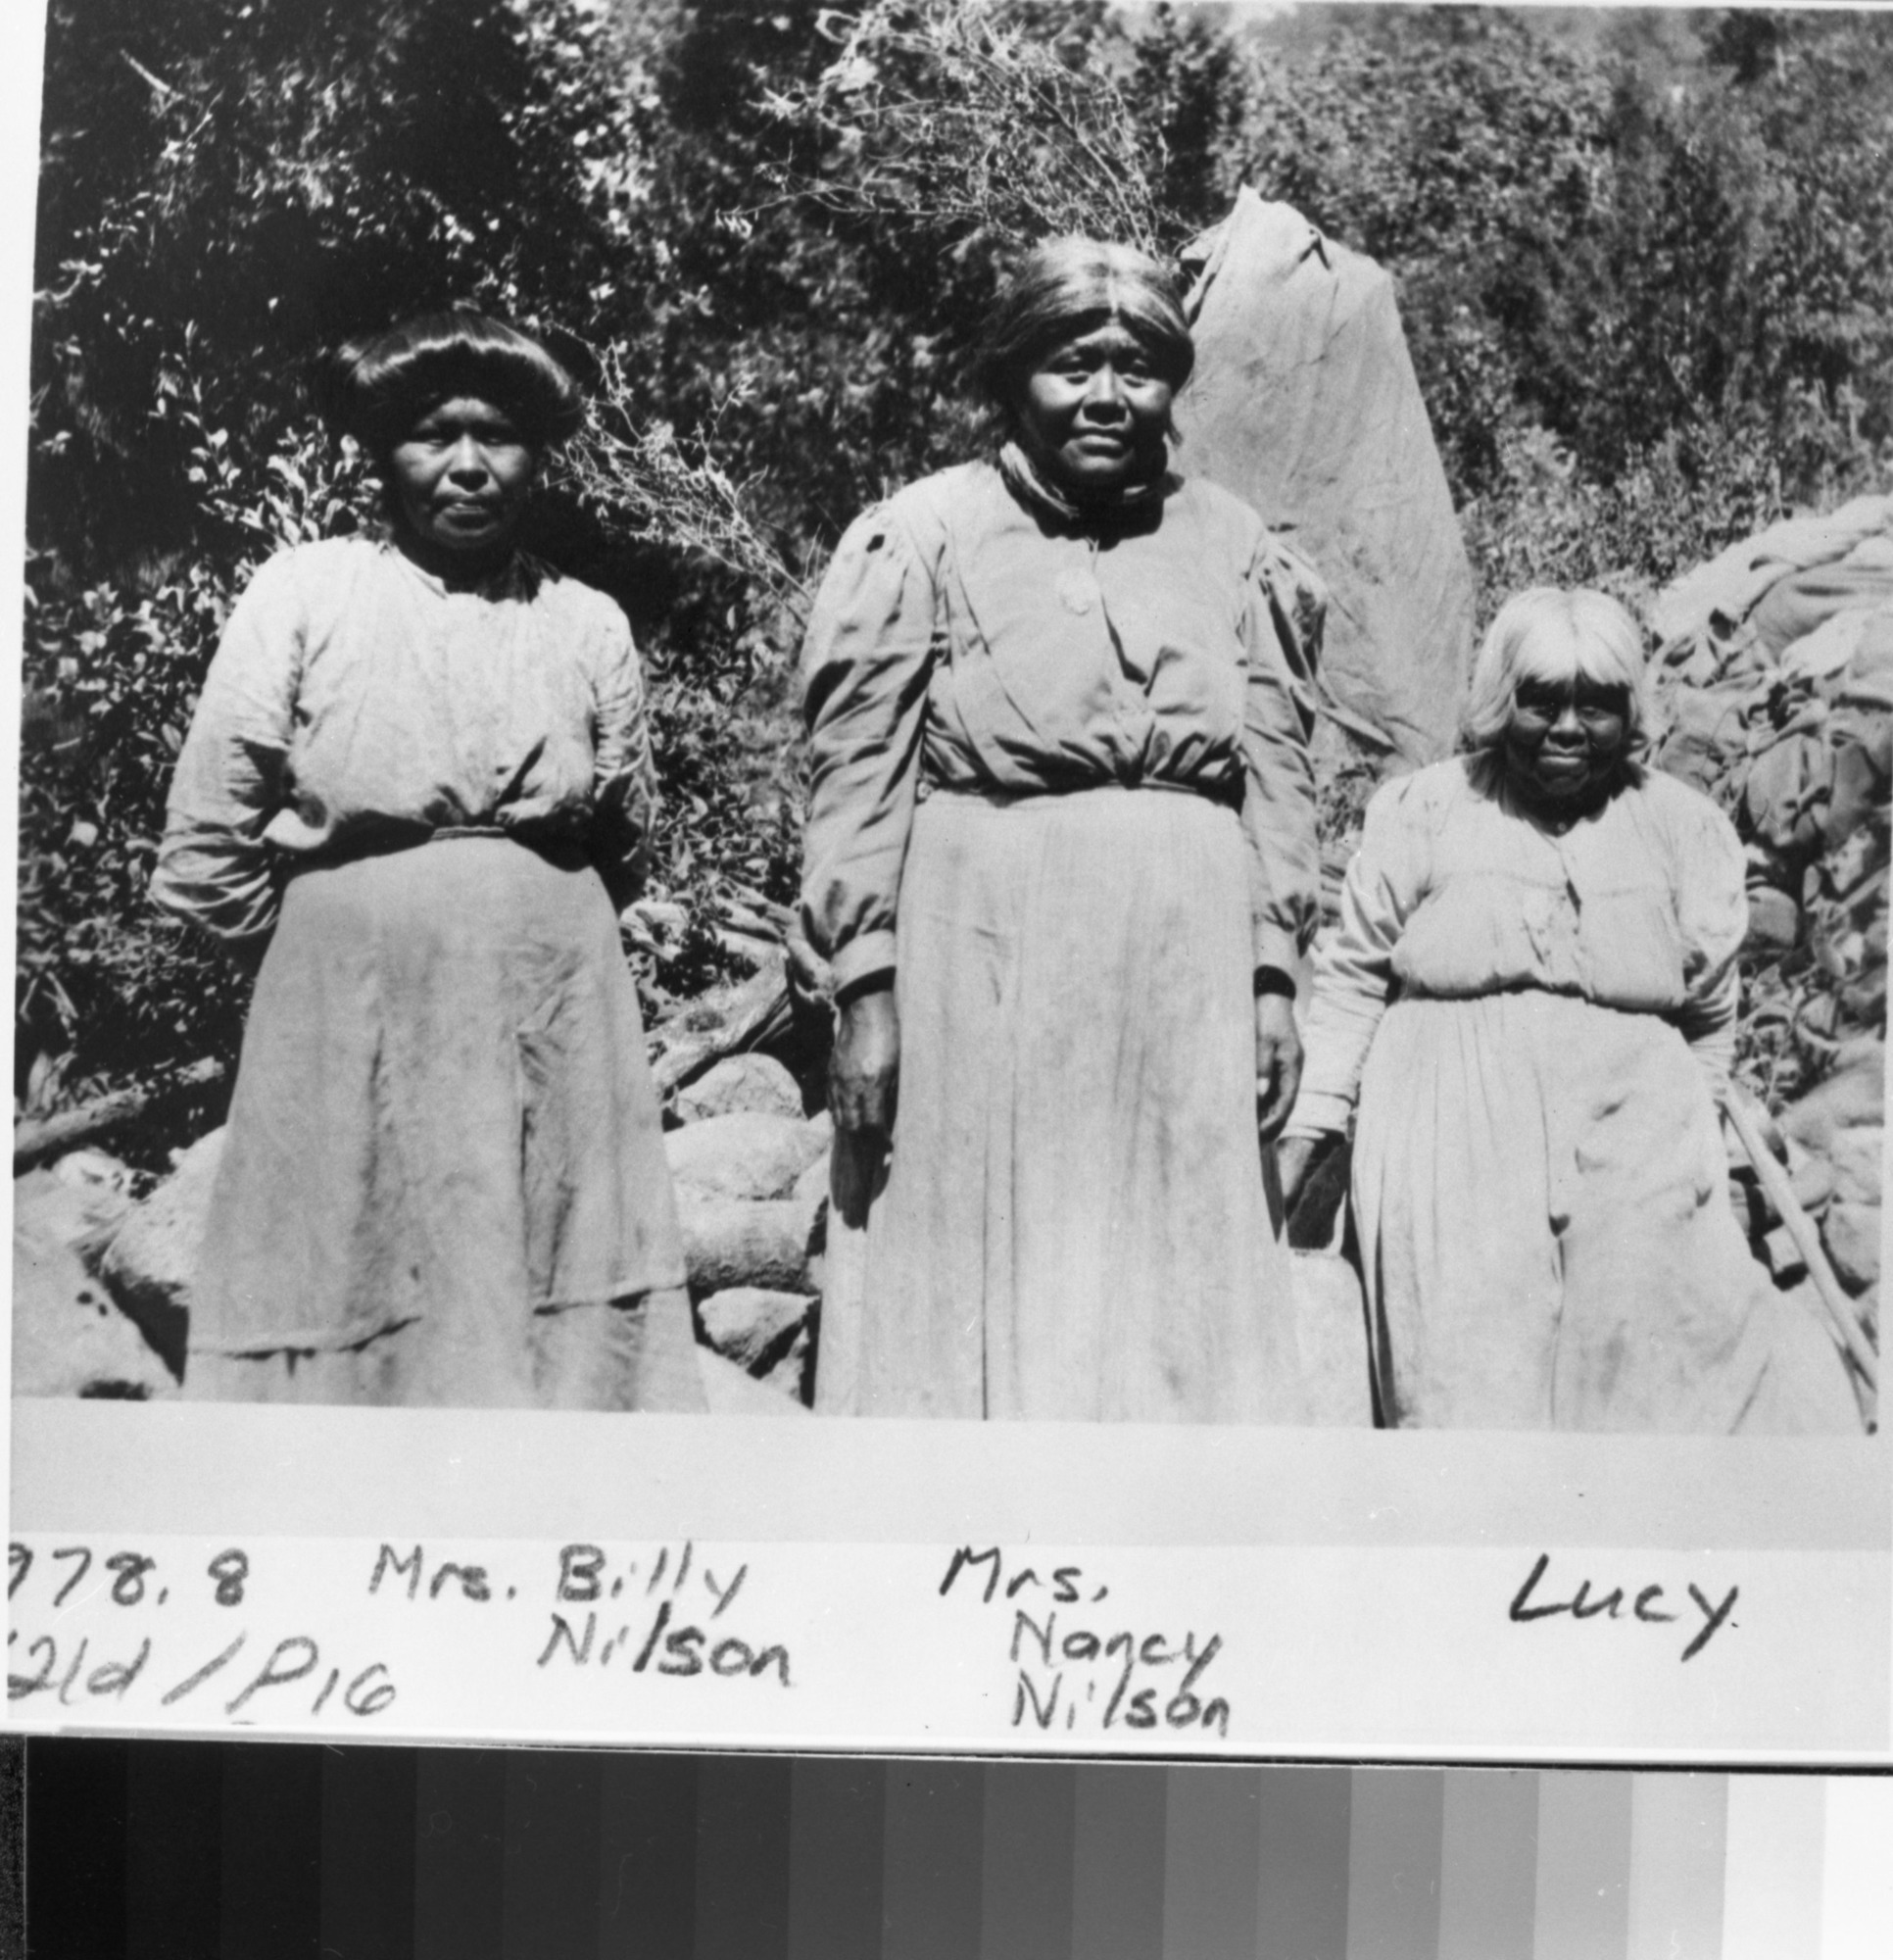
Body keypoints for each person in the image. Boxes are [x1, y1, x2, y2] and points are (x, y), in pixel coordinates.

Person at [800, 237, 1324, 1422]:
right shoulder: (923, 534)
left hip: (1184, 950)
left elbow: (1280, 777)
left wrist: (1274, 977)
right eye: (1071, 364)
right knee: (981, 1247)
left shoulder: (1233, 541)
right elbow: (856, 778)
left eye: (1137, 368)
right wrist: (866, 984)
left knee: (1174, 1256)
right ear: (1012, 377)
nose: (1105, 395)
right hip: (983, 939)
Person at [152, 309, 705, 1411]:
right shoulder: (306, 593)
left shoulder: (585, 620)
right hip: (348, 997)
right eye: (429, 434)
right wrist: (331, 947)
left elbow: (624, 835)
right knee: (351, 1269)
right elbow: (210, 832)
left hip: (553, 1001)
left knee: (555, 1274)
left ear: (539, 452)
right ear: (380, 449)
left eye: (496, 435)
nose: (465, 465)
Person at [1279, 586, 1859, 1432]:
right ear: (1495, 702)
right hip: (1452, 1132)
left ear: (1633, 712)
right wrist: (1317, 1126)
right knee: (1467, 1386)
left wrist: (1697, 1149)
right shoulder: (1428, 809)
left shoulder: (1681, 827)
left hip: (1635, 1133)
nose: (1568, 729)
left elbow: (1708, 1014)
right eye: (1541, 701)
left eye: (1599, 705)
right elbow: (1356, 978)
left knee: (1653, 1378)